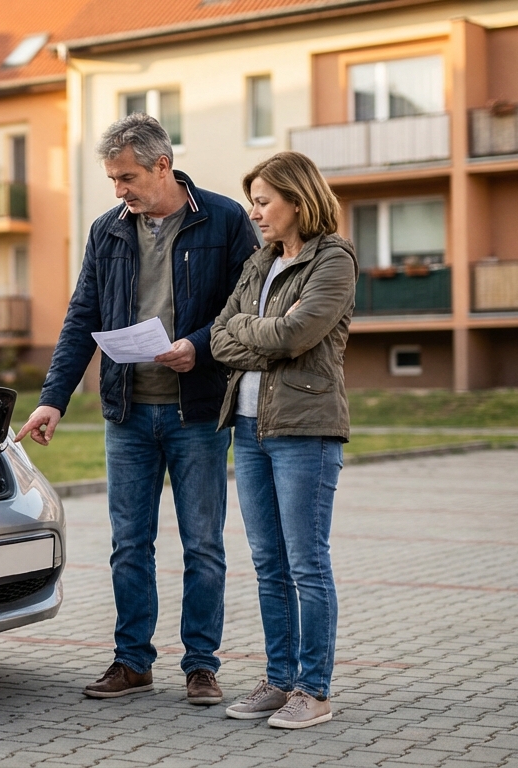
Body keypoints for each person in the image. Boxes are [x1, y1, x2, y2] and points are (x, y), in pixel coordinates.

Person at [15, 114, 258, 704]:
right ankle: (132, 661)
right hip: (127, 412)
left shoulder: (224, 220)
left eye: (127, 177)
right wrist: (53, 399)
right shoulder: (108, 230)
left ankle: (201, 664)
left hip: (194, 411)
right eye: (113, 179)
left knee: (203, 544)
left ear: (162, 165)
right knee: (129, 543)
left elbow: (243, 307)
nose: (119, 189)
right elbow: (82, 317)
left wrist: (196, 347)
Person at [208, 151, 356, 729]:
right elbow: (221, 338)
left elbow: (297, 333)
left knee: (306, 565)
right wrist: (263, 335)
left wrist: (265, 334)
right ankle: (278, 679)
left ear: (298, 200)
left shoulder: (333, 261)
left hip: (306, 430)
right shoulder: (260, 261)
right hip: (249, 429)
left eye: (265, 201)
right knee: (269, 564)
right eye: (253, 202)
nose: (256, 212)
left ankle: (314, 689)